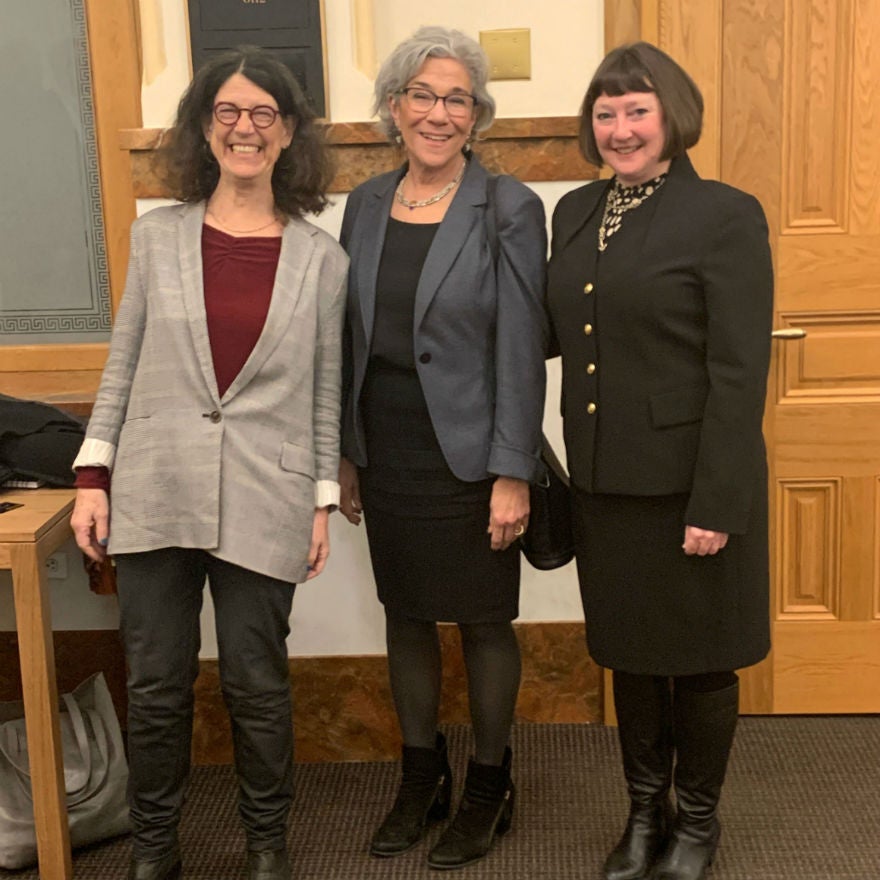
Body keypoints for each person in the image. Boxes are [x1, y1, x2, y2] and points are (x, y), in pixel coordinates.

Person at [70, 47, 348, 880]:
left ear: (289, 133)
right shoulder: (155, 238)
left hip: (270, 491)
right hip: (155, 488)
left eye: (264, 114)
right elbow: (123, 362)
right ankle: (155, 850)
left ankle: (267, 848)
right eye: (228, 112)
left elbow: (325, 391)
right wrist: (92, 476)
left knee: (257, 687)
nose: (245, 128)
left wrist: (321, 500)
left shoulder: (323, 261)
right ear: (204, 127)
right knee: (156, 687)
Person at [547, 42, 773, 880]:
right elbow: (557, 332)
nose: (620, 128)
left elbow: (739, 369)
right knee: (632, 657)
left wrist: (716, 501)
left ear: (672, 115)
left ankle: (700, 824)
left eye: (636, 110)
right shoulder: (572, 210)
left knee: (702, 658)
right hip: (606, 484)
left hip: (693, 486)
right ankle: (646, 815)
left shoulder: (724, 213)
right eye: (605, 113)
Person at [337, 25, 547, 870]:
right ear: (394, 107)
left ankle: (490, 786)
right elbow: (348, 343)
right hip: (386, 449)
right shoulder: (362, 203)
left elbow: (522, 347)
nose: (437, 111)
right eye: (421, 94)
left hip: (471, 455)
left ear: (477, 114)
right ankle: (420, 777)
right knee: (406, 614)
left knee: (485, 620)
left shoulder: (507, 206)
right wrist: (345, 453)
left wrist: (512, 469)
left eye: (456, 97)